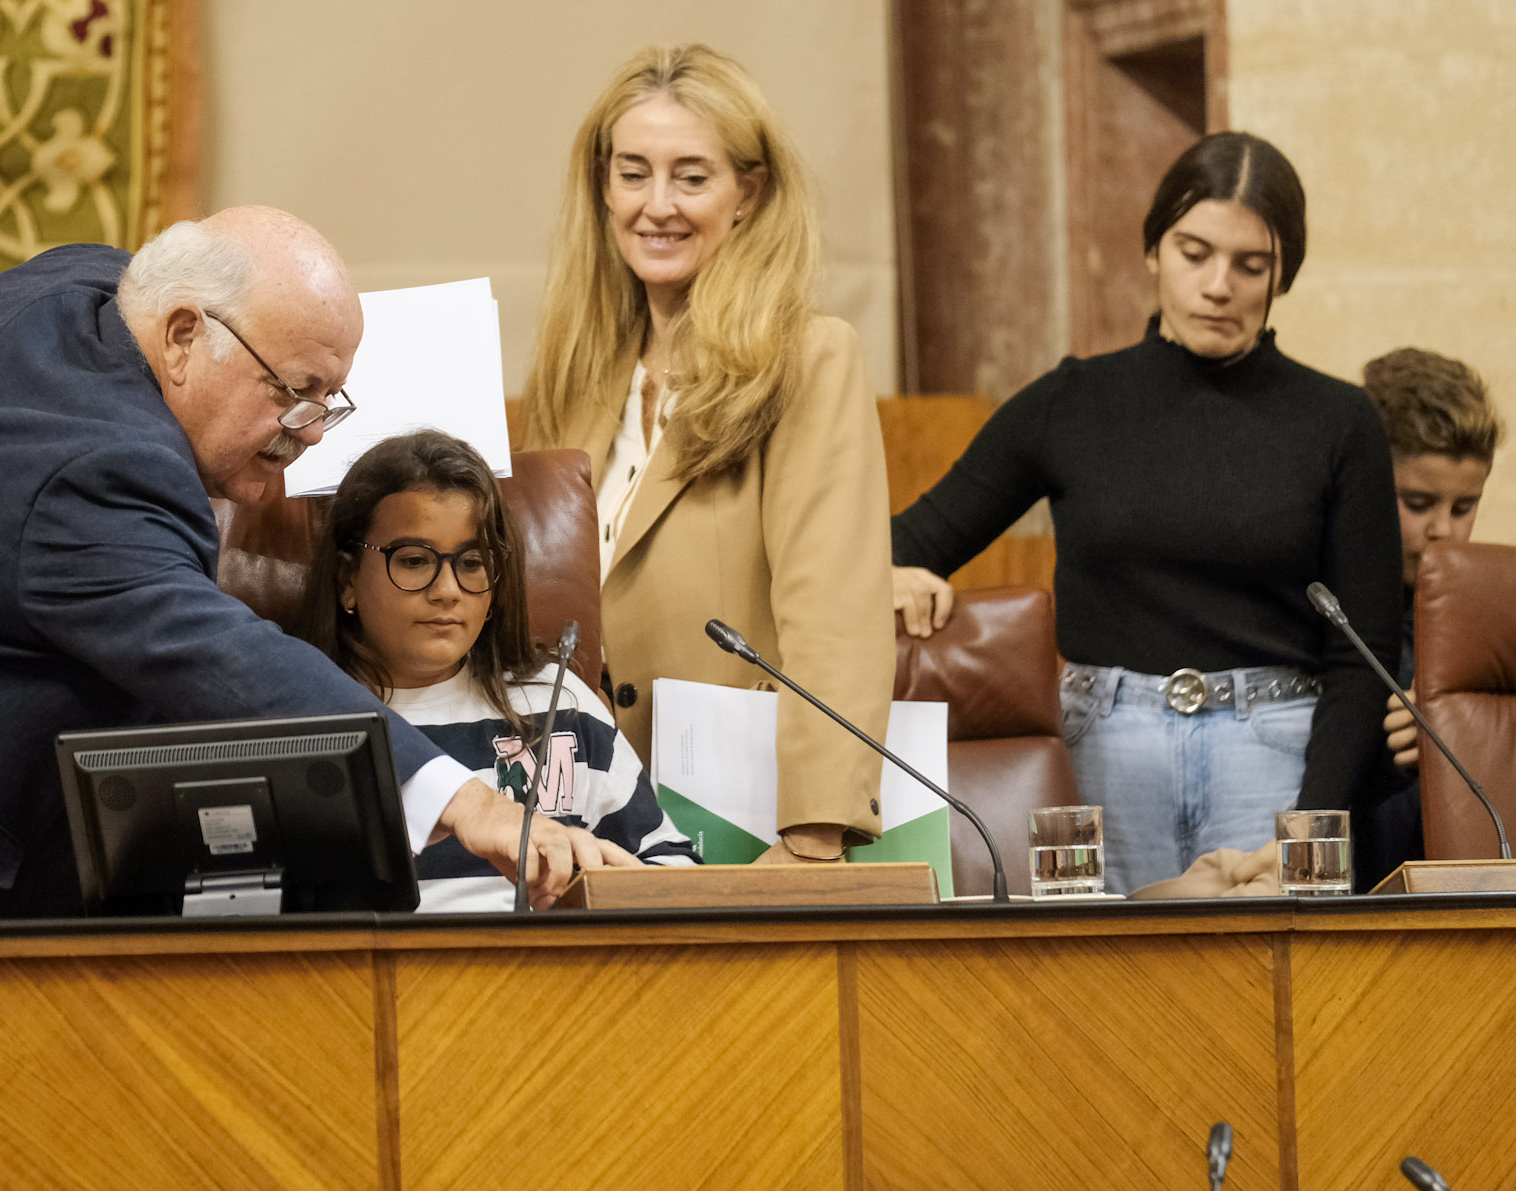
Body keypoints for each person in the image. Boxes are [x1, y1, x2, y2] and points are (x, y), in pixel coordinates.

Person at [0, 208, 621, 917]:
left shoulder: (83, 282)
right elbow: (223, 656)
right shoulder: (103, 470)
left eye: (329, 400)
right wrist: (471, 800)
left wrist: (263, 417)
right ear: (183, 334)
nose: (310, 432)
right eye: (295, 392)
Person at [890, 132, 1402, 894]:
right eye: (1195, 252)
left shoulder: (1339, 421)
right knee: (1107, 997)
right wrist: (898, 573)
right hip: (1104, 744)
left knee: (1266, 999)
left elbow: (1362, 658)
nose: (1219, 284)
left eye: (1249, 264)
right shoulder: (1073, 402)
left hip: (1274, 749)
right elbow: (909, 538)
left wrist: (1312, 824)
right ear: (1153, 249)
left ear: (1282, 274)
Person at [522, 44, 894, 864]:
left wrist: (812, 835)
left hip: (744, 827)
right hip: (580, 827)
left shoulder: (806, 359)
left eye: (692, 176)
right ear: (603, 187)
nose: (657, 205)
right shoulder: (572, 380)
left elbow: (833, 617)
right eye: (632, 173)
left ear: (748, 195)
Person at [300, 429, 693, 911]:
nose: (448, 590)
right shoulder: (300, 711)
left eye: (472, 563)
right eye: (414, 561)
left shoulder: (558, 704)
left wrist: (613, 886)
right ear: (347, 581)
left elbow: (674, 870)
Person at [1356, 347, 1500, 880]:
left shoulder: (1487, 620)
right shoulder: (1321, 609)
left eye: (1465, 508)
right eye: (1417, 504)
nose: (1443, 530)